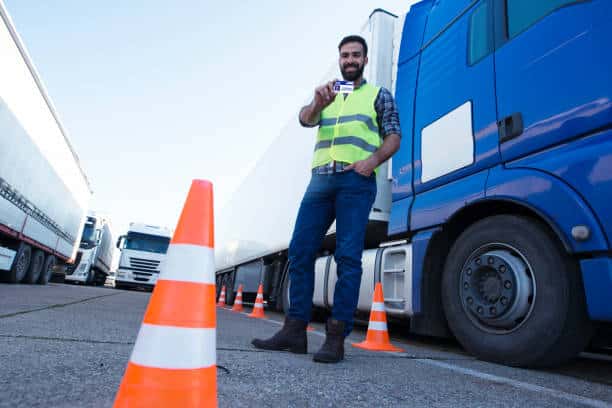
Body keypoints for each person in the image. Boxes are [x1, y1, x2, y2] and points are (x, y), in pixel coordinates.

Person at [252, 35, 401, 363]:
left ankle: (336, 337)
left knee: (348, 258)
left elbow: (393, 135)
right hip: (320, 181)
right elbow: (305, 119)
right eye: (345, 55)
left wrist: (371, 162)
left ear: (364, 60)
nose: (350, 60)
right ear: (340, 59)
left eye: (356, 55)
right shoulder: (326, 94)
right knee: (300, 251)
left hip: (356, 182)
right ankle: (294, 331)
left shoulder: (379, 95)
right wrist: (319, 102)